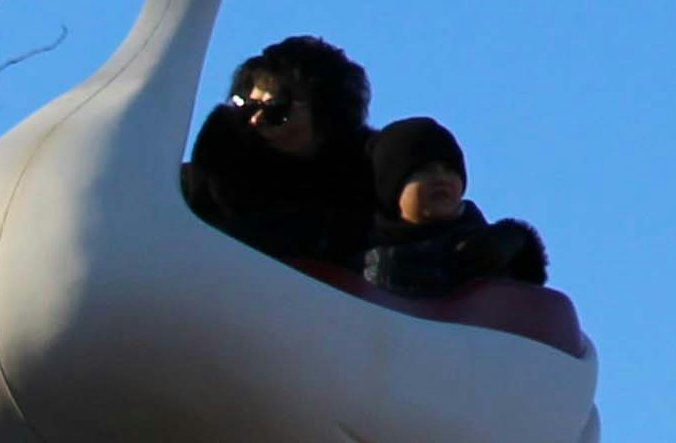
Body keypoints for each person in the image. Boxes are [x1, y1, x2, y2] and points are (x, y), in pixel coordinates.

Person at [181, 34, 374, 281]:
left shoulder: (368, 195)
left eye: (275, 110)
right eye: (245, 106)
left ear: (326, 116)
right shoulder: (191, 187)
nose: (255, 120)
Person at [357, 116, 550, 300]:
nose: (441, 178)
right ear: (392, 189)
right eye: (424, 170)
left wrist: (520, 253)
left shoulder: (487, 253)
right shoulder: (362, 262)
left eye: (449, 170)